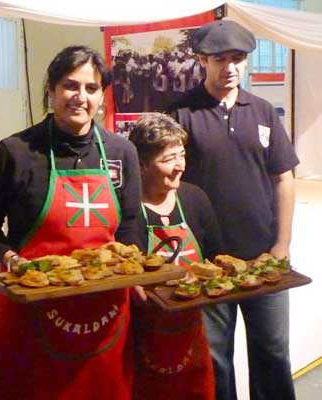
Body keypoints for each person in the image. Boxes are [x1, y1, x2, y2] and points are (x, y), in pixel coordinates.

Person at [0, 45, 142, 400]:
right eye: (70, 86)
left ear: (102, 96)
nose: (81, 97)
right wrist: (11, 259)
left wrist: (132, 264)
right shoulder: (15, 152)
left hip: (105, 308)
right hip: (33, 309)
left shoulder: (122, 153)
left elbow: (129, 223)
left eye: (92, 88)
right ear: (50, 89)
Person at [167, 20, 300, 400]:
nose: (230, 68)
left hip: (263, 259)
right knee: (213, 359)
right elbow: (163, 184)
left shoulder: (262, 112)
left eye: (238, 59)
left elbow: (283, 178)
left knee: (273, 353)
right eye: (219, 59)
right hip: (205, 263)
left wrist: (282, 245)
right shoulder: (180, 113)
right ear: (201, 61)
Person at [128, 113, 223, 400]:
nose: (179, 166)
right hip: (144, 332)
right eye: (168, 159)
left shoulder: (195, 198)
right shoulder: (127, 208)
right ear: (142, 165)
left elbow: (216, 259)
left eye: (181, 155)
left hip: (193, 328)